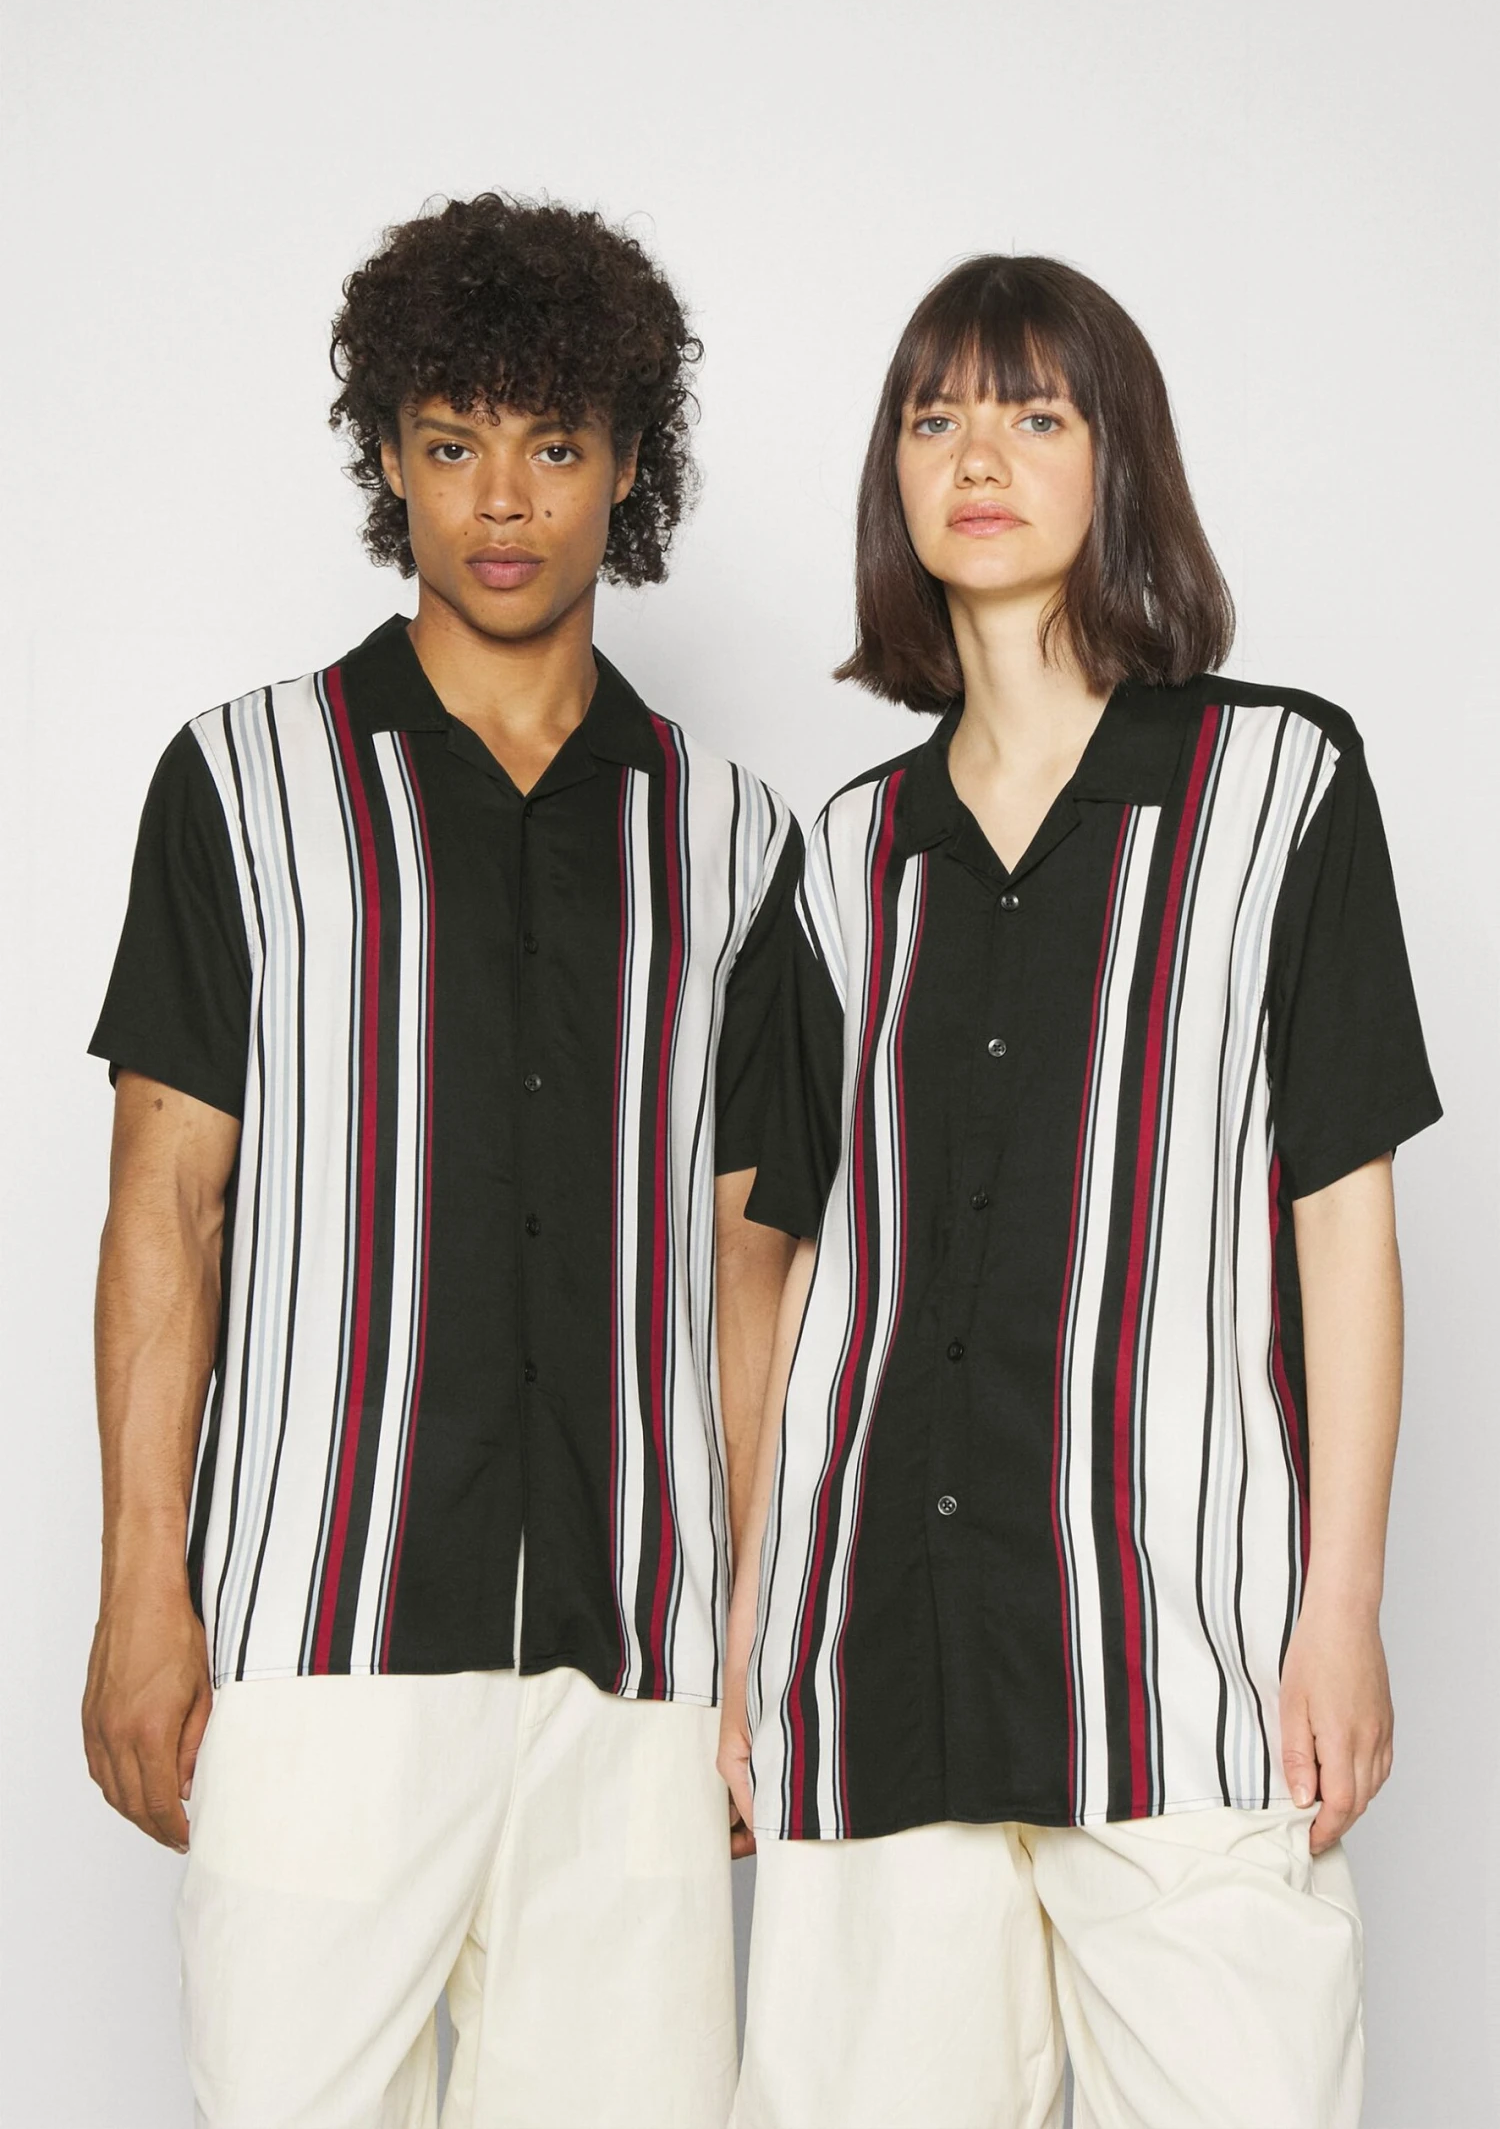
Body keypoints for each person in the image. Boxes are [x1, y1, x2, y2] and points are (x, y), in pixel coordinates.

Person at [83, 192, 798, 2129]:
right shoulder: (240, 784)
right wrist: (142, 1588)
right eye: (455, 440)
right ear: (389, 454)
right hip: (318, 1660)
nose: (502, 500)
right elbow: (168, 1206)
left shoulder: (737, 841)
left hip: (636, 1685)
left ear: (629, 466)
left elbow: (753, 1272)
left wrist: (761, 1642)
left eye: (556, 446)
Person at [722, 254, 1440, 2129]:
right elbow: (771, 1273)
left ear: (1119, 459)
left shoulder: (1277, 785)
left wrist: (1343, 1603)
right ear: (892, 474)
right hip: (872, 1665)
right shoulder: (843, 860)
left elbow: (1343, 1220)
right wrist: (743, 1637)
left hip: (1183, 1661)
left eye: (1036, 412)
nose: (979, 455)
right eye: (936, 415)